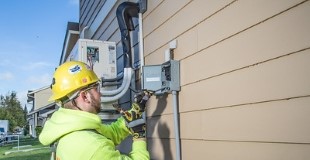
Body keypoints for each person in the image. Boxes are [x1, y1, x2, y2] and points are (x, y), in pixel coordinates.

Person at [39, 61, 150, 160]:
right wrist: (139, 137)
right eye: (96, 88)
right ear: (85, 96)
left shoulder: (70, 129)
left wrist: (132, 114)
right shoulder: (93, 147)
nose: (100, 93)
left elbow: (111, 133)